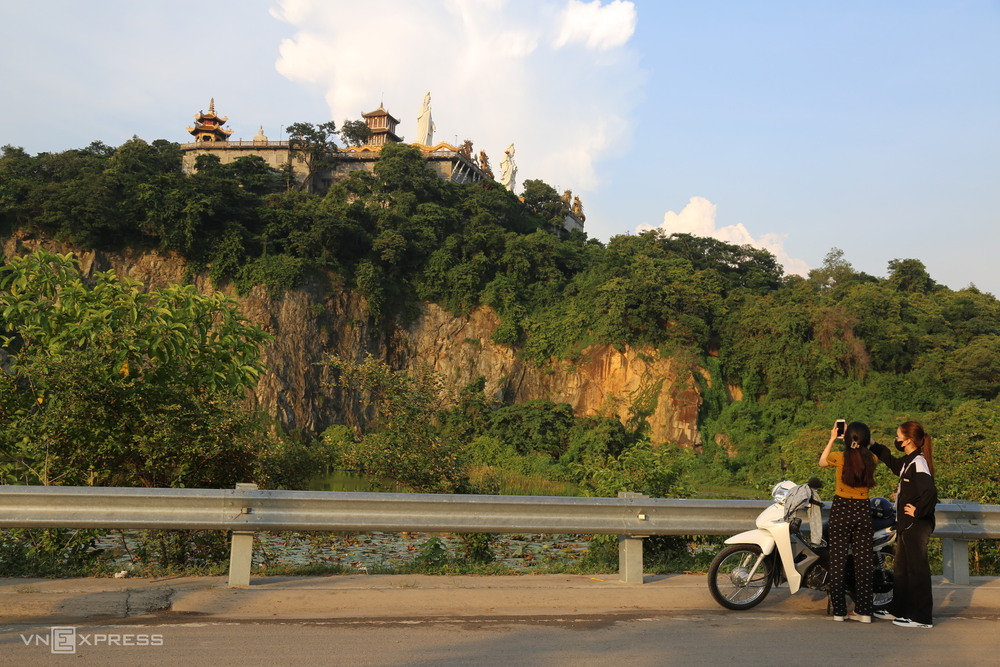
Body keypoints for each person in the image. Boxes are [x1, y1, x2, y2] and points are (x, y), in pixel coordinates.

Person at [868, 421, 937, 629]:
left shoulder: (919, 462)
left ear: (907, 440)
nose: (896, 439)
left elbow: (930, 492)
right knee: (901, 570)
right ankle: (897, 609)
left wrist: (918, 510)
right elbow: (891, 461)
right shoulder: (909, 461)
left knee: (917, 572)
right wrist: (872, 443)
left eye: (898, 436)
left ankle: (921, 617)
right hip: (906, 526)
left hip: (917, 525)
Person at [819, 420, 878, 622]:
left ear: (847, 437)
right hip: (862, 510)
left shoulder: (839, 457)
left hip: (842, 509)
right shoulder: (873, 459)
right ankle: (864, 612)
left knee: (838, 561)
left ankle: (839, 611)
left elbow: (822, 461)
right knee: (864, 563)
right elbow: (870, 446)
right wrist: (866, 441)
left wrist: (832, 438)